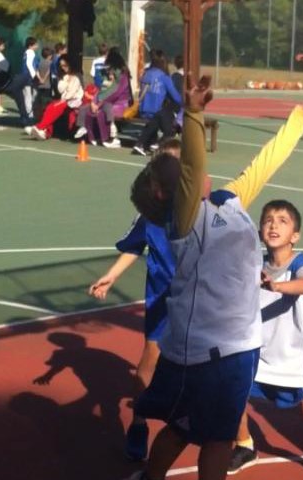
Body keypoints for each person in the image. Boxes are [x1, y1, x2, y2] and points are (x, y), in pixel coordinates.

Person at [125, 76, 303, 480]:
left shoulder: (227, 201)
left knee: (214, 437)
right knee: (187, 431)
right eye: (181, 169)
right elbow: (193, 168)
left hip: (240, 347)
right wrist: (193, 114)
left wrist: (300, 119)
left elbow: (264, 163)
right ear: (166, 192)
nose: (194, 168)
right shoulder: (183, 221)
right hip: (200, 350)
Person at [228, 199, 303, 480]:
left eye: (282, 221)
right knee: (234, 397)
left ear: (295, 236)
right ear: (260, 231)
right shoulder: (254, 265)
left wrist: (277, 286)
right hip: (261, 351)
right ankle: (245, 445)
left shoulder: (302, 265)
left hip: (298, 358)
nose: (273, 225)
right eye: (268, 220)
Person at [88, 139, 181, 461]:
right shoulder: (149, 215)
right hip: (162, 301)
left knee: (202, 366)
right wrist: (112, 275)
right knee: (150, 360)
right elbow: (133, 247)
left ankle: (238, 437)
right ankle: (139, 423)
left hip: (198, 300)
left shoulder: (198, 209)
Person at [75, 47, 132, 148]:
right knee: (86, 109)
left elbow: (115, 93)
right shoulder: (109, 74)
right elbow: (102, 90)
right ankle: (90, 134)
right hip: (106, 102)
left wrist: (99, 103)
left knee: (101, 112)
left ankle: (110, 137)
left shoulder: (122, 75)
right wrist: (93, 102)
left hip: (120, 103)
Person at [131, 50, 182, 156]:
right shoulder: (164, 77)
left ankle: (141, 144)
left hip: (142, 110)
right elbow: (176, 98)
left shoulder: (146, 74)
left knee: (155, 120)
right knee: (172, 125)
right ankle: (159, 144)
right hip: (156, 111)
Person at [27, 54, 83, 140]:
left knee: (57, 106)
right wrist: (65, 80)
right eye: (61, 66)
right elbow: (60, 89)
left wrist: (63, 100)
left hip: (74, 101)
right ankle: (45, 131)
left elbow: (72, 93)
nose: (63, 68)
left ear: (70, 64)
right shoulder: (63, 76)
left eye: (65, 65)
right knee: (50, 107)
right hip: (65, 100)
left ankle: (40, 127)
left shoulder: (77, 76)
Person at [34, 47, 53, 119]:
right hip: (48, 85)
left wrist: (40, 79)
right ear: (49, 55)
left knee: (40, 101)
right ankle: (46, 116)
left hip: (40, 85)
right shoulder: (50, 63)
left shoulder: (40, 62)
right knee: (47, 101)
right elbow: (49, 71)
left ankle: (40, 116)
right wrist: (44, 79)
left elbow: (36, 71)